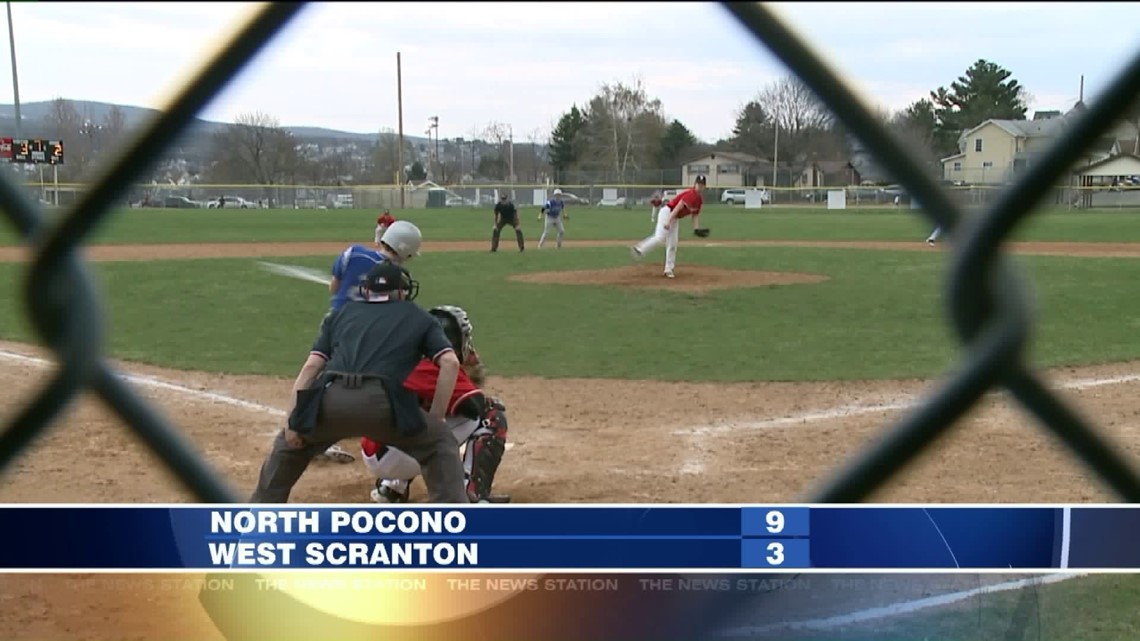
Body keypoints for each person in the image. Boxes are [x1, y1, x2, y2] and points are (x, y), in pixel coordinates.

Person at [249, 260, 470, 504]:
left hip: (330, 402)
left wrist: (293, 423)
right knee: (439, 443)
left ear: (367, 290)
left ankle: (258, 514)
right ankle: (452, 518)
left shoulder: (341, 314)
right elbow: (450, 363)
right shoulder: (419, 316)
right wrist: (436, 417)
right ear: (401, 292)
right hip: (384, 406)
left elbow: (311, 367)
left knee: (288, 449)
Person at [362, 304, 511, 504]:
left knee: (421, 413)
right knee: (492, 414)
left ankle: (391, 488)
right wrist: (467, 377)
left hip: (375, 448)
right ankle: (472, 493)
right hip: (398, 457)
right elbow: (474, 405)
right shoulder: (440, 365)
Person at [314, 219, 423, 464]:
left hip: (335, 323)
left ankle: (308, 425)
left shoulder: (352, 253)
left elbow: (334, 288)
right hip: (368, 334)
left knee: (323, 374)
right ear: (405, 250)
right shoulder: (396, 275)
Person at [630, 175, 707, 278]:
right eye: (698, 184)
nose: (700, 186)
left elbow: (695, 215)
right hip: (668, 212)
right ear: (695, 184)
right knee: (659, 237)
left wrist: (696, 229)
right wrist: (668, 221)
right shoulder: (691, 195)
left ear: (704, 187)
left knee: (673, 243)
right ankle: (639, 249)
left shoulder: (699, 200)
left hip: (674, 217)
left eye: (702, 185)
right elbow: (677, 207)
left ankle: (668, 269)